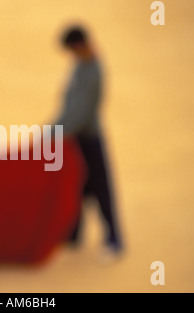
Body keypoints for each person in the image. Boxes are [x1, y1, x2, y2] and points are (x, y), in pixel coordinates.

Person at [55, 25, 123, 255]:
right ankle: (74, 236)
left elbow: (81, 113)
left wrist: (53, 133)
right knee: (76, 187)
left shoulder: (93, 70)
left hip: (88, 138)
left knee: (101, 189)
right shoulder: (80, 66)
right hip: (74, 138)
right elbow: (69, 107)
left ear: (78, 45)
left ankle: (114, 239)